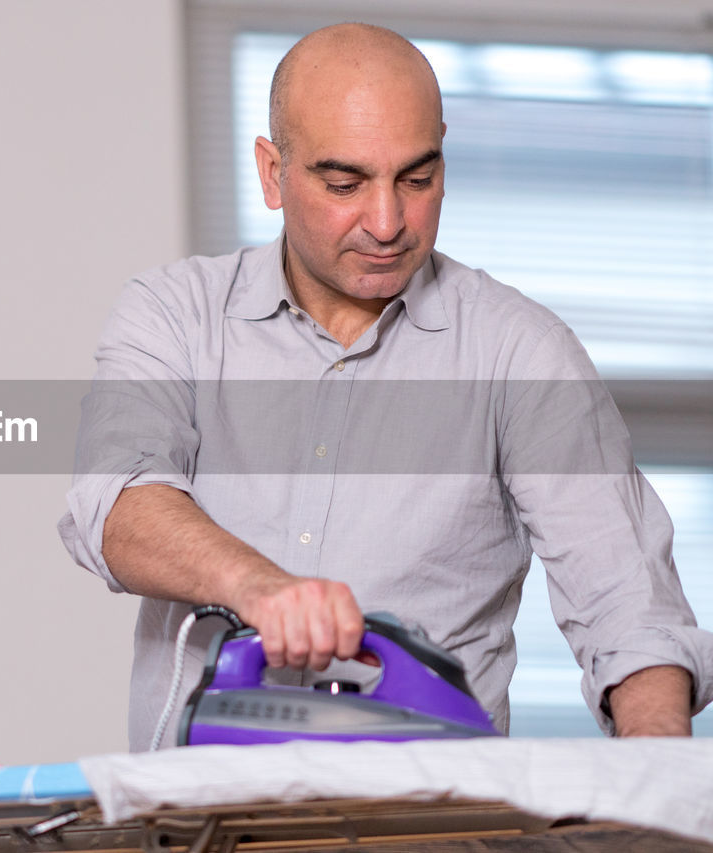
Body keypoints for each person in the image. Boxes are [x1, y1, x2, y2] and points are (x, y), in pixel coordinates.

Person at [58, 22, 711, 749]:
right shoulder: (173, 315)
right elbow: (117, 501)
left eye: (418, 178)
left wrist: (651, 782)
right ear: (273, 173)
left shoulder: (521, 352)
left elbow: (630, 607)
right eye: (345, 183)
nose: (388, 221)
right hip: (205, 822)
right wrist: (260, 589)